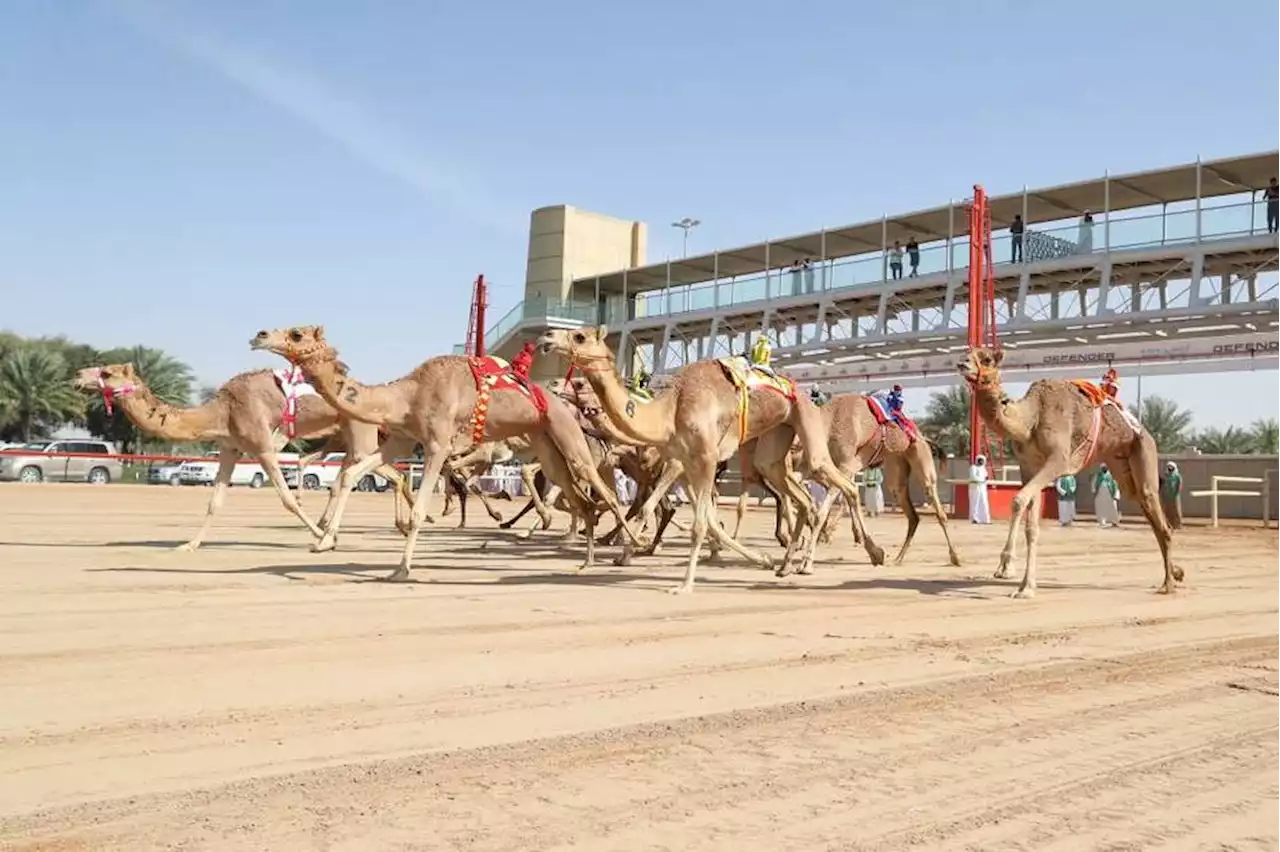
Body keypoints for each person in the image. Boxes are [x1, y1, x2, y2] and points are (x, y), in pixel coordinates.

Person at [1094, 463, 1120, 528]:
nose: (1103, 469)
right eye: (1102, 468)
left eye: (1104, 467)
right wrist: (1095, 491)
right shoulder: (1098, 475)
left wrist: (1115, 494)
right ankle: (1102, 522)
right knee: (1101, 508)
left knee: (1113, 507)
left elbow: (1114, 484)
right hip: (1101, 494)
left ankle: (1114, 522)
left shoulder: (1111, 475)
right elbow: (1095, 484)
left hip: (1110, 493)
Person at [1160, 461, 1184, 530]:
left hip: (1175, 495)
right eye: (1168, 467)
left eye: (1171, 467)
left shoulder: (1177, 476)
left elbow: (1180, 484)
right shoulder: (1166, 475)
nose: (1170, 468)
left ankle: (1178, 524)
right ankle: (1169, 524)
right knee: (1168, 511)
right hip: (1166, 496)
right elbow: (1163, 484)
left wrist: (1177, 492)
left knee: (1176, 510)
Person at [968, 455, 991, 524]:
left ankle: (985, 519)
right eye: (979, 460)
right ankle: (975, 518)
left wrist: (983, 480)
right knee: (975, 503)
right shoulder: (973, 468)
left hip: (982, 488)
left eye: (982, 460)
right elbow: (973, 477)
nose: (981, 461)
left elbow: (986, 478)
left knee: (984, 502)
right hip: (975, 487)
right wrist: (982, 480)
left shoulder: (984, 469)